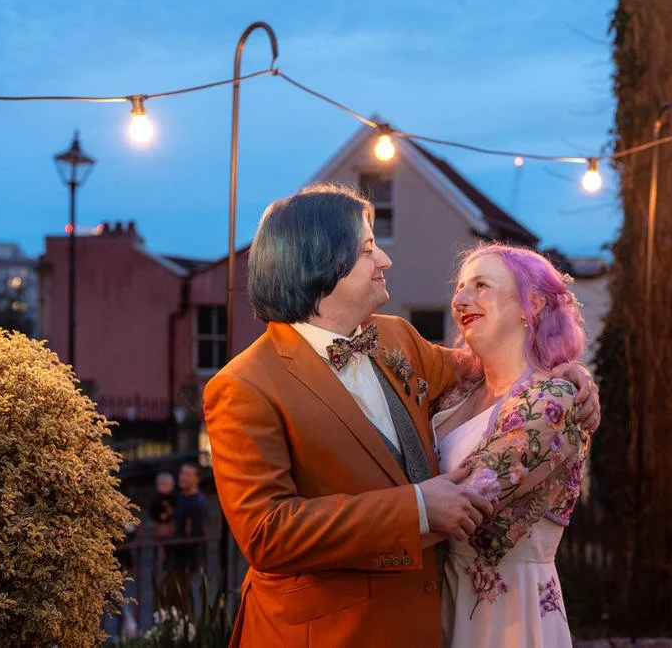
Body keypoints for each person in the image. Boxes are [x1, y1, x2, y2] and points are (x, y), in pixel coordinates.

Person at [203, 183, 600, 647]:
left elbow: (488, 367)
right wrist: (415, 509)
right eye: (369, 249)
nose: (385, 260)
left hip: (435, 623)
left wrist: (561, 367)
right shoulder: (243, 386)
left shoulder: (395, 338)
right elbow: (267, 533)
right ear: (324, 261)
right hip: (329, 633)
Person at [435, 244, 592, 647]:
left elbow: (470, 499)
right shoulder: (456, 394)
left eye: (482, 285)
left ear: (532, 304)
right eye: (461, 287)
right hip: (438, 601)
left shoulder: (552, 398)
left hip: (506, 618)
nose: (460, 299)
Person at [172, 463, 208, 574]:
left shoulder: (197, 503)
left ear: (197, 479)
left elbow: (195, 533)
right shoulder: (178, 497)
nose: (183, 477)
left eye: (188, 474)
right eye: (182, 473)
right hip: (175, 555)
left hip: (187, 559)